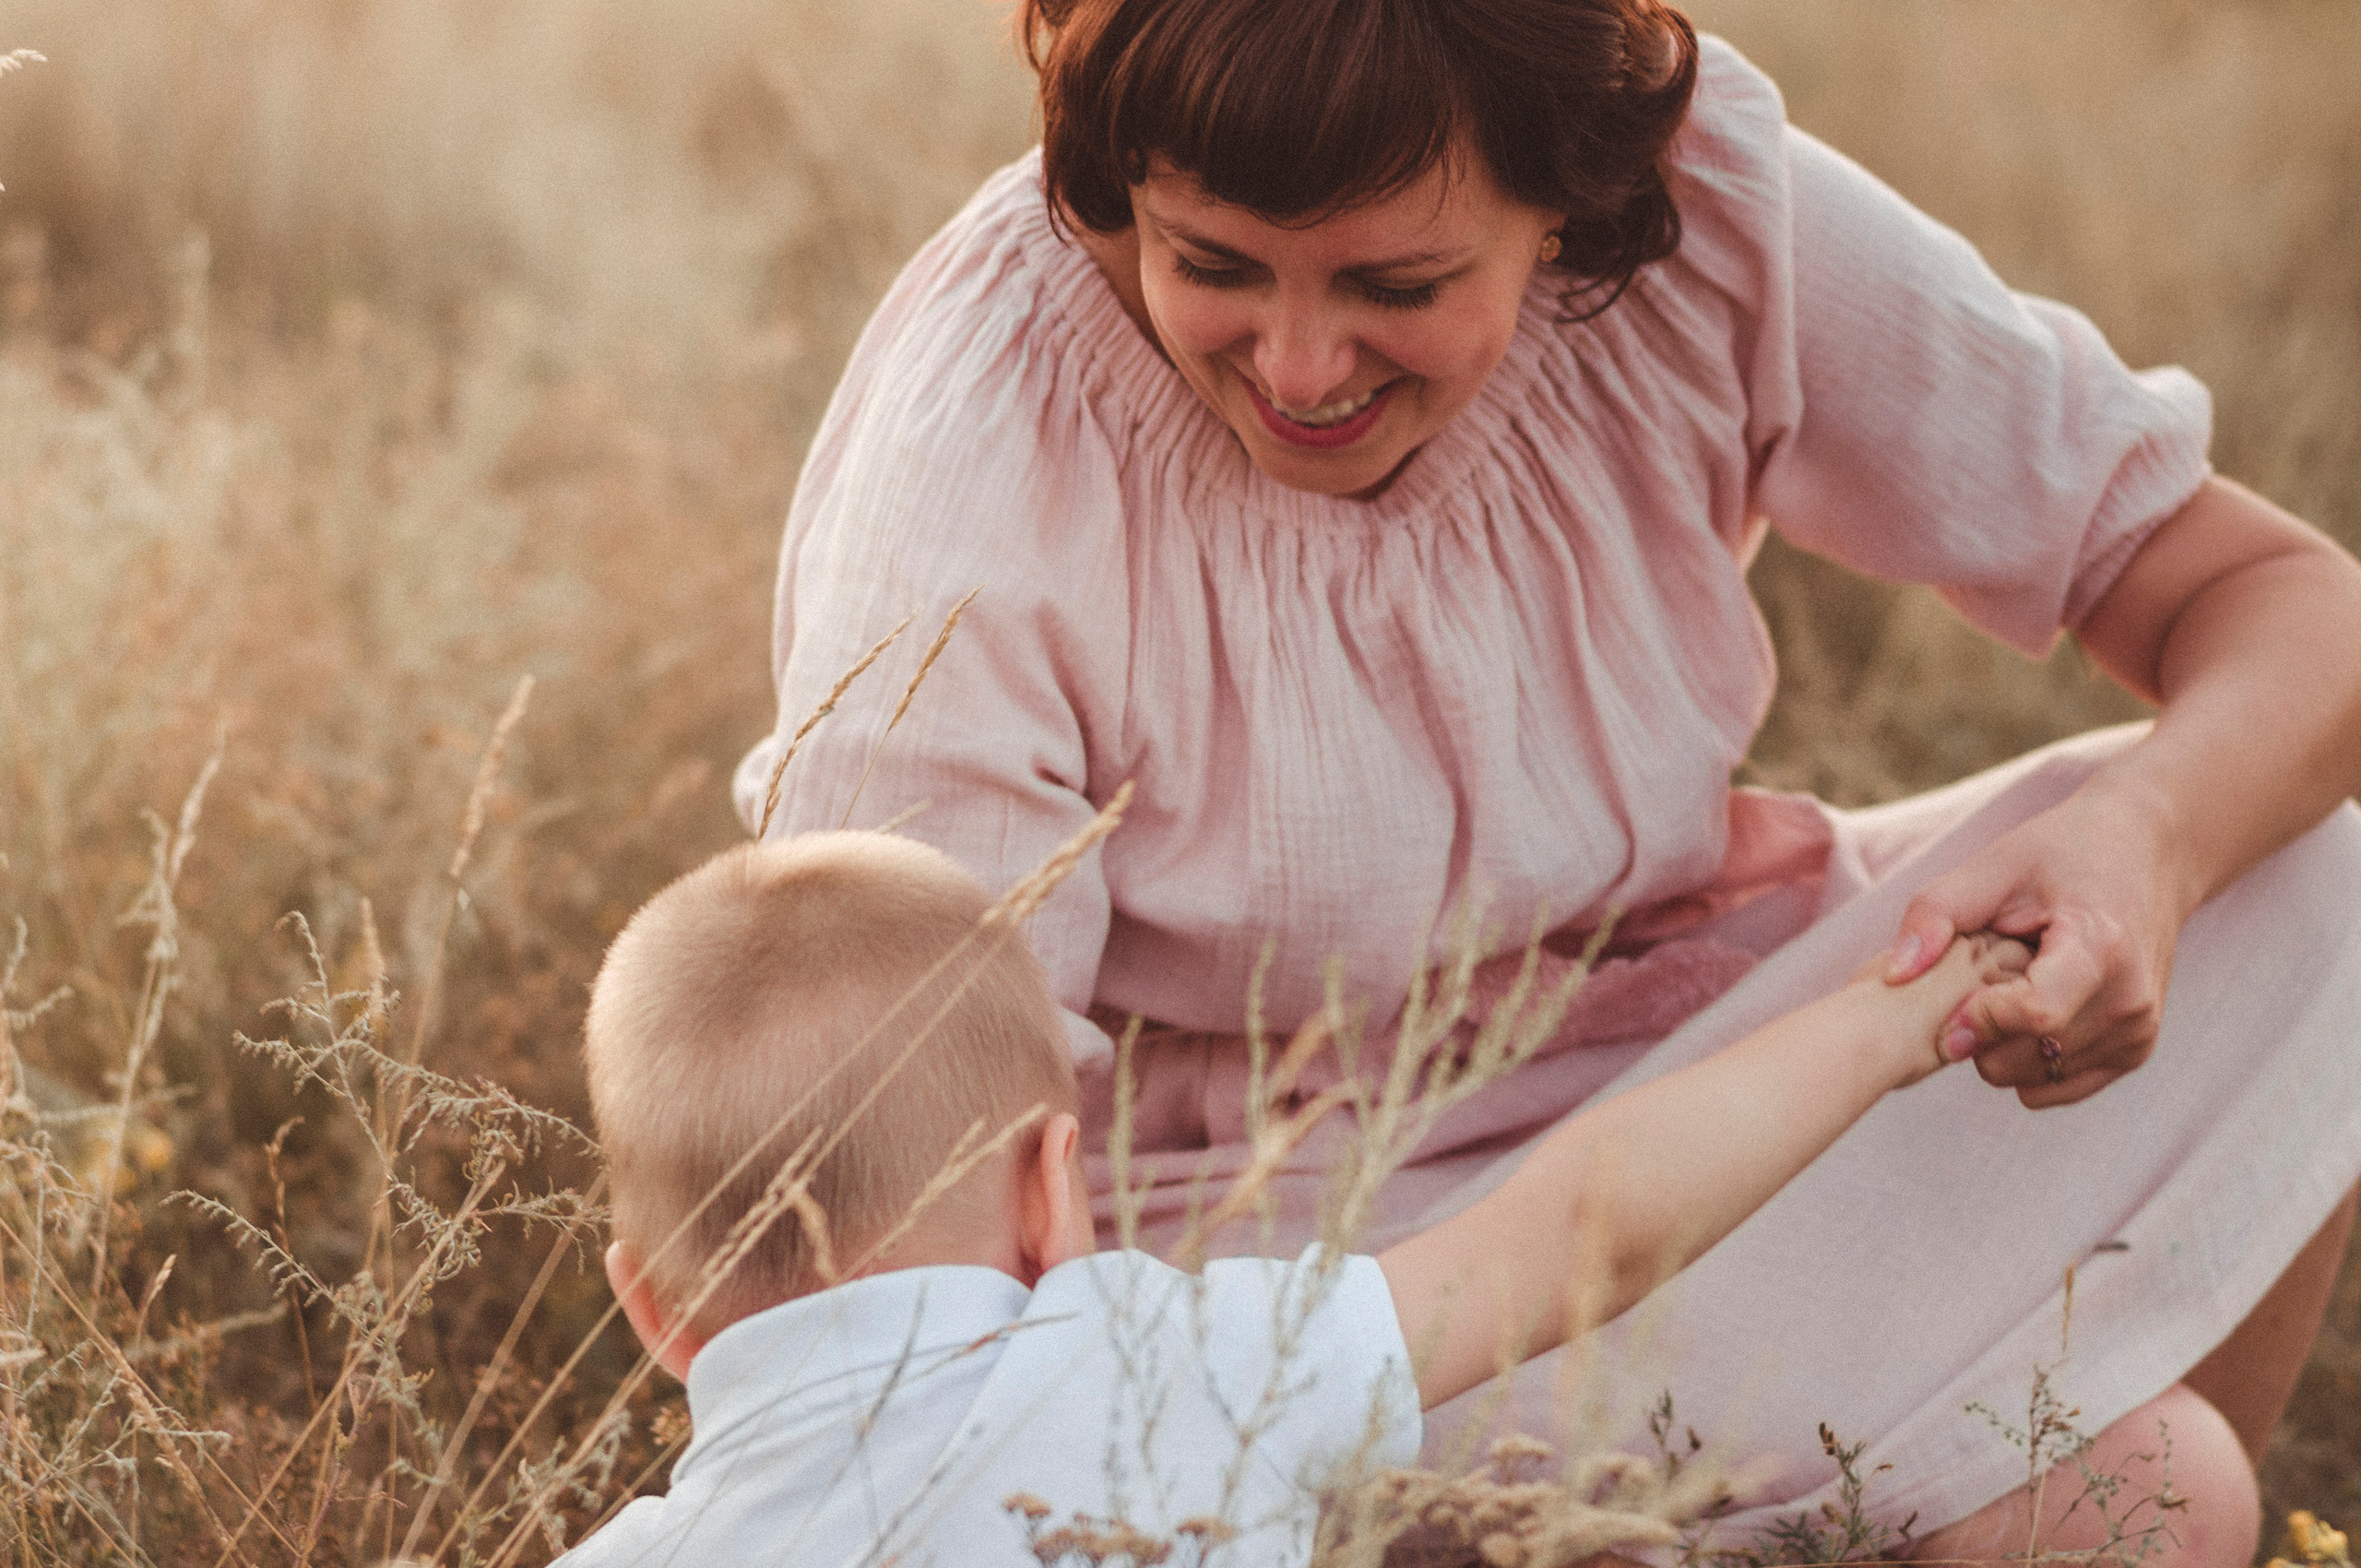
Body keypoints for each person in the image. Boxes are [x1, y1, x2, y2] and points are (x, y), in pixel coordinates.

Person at [732, 1, 2361, 1562]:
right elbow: (906, 1227)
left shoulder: (1706, 203)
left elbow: (2280, 603)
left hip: (1690, 1073)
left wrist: (2146, 844)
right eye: (1210, 264)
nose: (1299, 366)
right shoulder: (978, 442)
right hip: (1281, 1250)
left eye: (1399, 280)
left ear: (1568, 205)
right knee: (2157, 1501)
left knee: (2307, 875)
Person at [564, 831, 2030, 1565]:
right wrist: (1898, 1023)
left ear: (650, 1306)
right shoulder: (1171, 1368)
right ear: (1051, 1191)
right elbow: (1595, 1224)